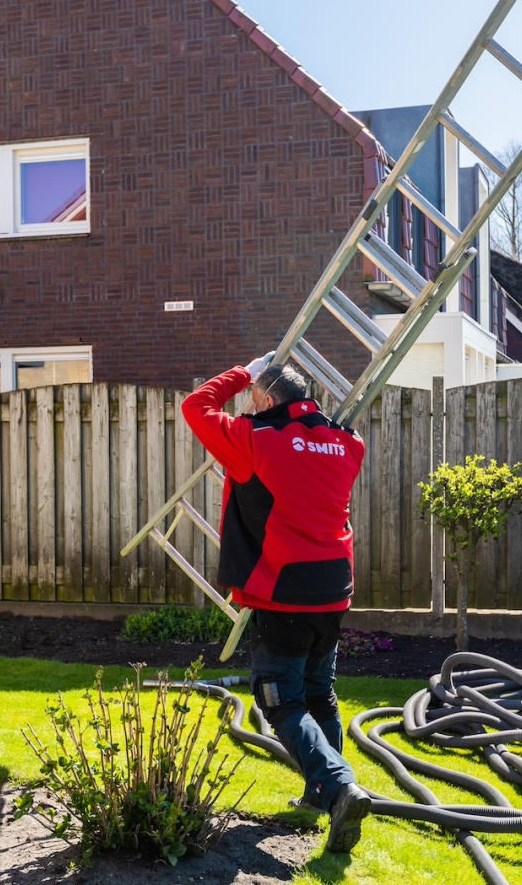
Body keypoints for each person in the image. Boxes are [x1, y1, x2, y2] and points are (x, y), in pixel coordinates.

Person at [180, 351, 373, 854]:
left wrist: (247, 368)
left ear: (265, 398)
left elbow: (196, 406)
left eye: (252, 398)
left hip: (284, 591)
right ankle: (320, 798)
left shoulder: (256, 441)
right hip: (334, 592)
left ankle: (339, 785)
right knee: (319, 694)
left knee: (278, 701)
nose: (248, 404)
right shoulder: (349, 443)